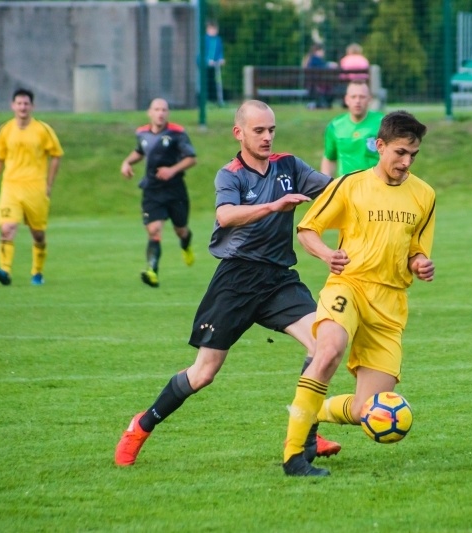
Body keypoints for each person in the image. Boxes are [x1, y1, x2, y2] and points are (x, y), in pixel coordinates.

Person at [114, 100, 342, 467]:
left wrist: (373, 183)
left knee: (324, 345)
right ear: (239, 133)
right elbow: (226, 215)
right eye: (259, 131)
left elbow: (334, 190)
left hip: (279, 279)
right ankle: (141, 425)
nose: (267, 137)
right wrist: (272, 206)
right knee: (203, 373)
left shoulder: (289, 166)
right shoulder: (230, 174)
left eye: (271, 130)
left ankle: (304, 436)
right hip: (236, 280)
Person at [282, 111, 436, 476]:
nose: (406, 162)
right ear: (379, 146)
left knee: (370, 409)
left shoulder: (425, 195)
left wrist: (420, 264)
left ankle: (312, 410)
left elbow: (417, 249)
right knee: (329, 348)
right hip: (348, 286)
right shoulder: (350, 185)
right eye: (400, 152)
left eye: (413, 155)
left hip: (390, 305)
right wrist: (327, 254)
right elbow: (307, 229)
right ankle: (293, 457)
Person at [0, 88, 64, 286]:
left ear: (32, 106)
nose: (22, 107)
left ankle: (37, 271)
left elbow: (56, 155)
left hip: (35, 188)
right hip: (11, 187)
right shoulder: (6, 130)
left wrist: (48, 183)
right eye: (19, 103)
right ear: (13, 106)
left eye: (26, 103)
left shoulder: (42, 130)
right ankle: (5, 271)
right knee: (7, 228)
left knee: (38, 234)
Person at [120, 98, 197, 288]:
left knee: (181, 230)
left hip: (175, 190)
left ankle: (185, 245)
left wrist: (172, 170)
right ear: (150, 112)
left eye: (164, 109)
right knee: (154, 231)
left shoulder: (177, 133)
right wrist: (127, 162)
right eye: (157, 109)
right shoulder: (142, 133)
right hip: (152, 190)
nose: (160, 113)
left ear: (167, 113)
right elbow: (140, 151)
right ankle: (152, 271)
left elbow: (191, 158)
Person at [321, 81, 383, 177]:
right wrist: (325, 184)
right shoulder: (335, 126)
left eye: (362, 97)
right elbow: (329, 158)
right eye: (353, 97)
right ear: (346, 99)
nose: (357, 101)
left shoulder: (383, 123)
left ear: (369, 99)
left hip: (375, 186)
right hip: (346, 187)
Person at [304, 44, 335, 109]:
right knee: (330, 86)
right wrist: (329, 65)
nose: (323, 53)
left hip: (313, 84)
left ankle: (320, 104)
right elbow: (323, 68)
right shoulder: (316, 59)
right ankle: (323, 103)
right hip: (317, 84)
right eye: (322, 51)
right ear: (317, 51)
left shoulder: (310, 59)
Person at [204, 20, 225, 107]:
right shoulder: (204, 39)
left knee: (216, 82)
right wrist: (208, 60)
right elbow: (202, 52)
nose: (213, 31)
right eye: (211, 29)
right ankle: (205, 100)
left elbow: (220, 51)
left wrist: (220, 59)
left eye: (215, 29)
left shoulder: (218, 40)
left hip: (215, 66)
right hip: (205, 65)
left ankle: (217, 100)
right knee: (206, 82)